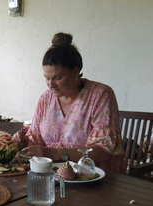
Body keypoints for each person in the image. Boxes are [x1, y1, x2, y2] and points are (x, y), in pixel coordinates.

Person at [14, 32, 125, 173]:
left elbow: (103, 150)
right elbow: (37, 141)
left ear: (75, 72)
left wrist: (55, 154)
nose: (50, 84)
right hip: (54, 176)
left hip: (94, 179)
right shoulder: (46, 99)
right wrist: (26, 143)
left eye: (57, 78)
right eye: (47, 78)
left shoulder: (100, 95)